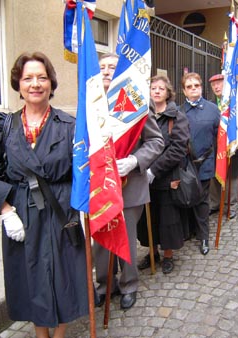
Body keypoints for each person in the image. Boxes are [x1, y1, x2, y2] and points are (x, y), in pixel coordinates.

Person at [0, 52, 89, 338]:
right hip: (22, 213)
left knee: (64, 277)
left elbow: (85, 169)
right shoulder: (5, 126)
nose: (35, 84)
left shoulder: (70, 124)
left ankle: (59, 336)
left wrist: (89, 201)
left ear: (51, 83)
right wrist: (5, 210)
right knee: (30, 275)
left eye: (42, 77)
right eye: (28, 78)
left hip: (61, 209)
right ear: (19, 84)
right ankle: (40, 335)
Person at [94, 53, 164, 310]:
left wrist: (135, 160)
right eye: (102, 67)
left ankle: (129, 284)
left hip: (129, 184)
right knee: (100, 239)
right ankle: (104, 285)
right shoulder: (90, 104)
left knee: (124, 237)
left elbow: (156, 142)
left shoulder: (137, 103)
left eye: (112, 67)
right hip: (99, 185)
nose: (106, 71)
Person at [136, 75, 189, 274]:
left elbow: (177, 149)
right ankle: (152, 252)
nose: (157, 91)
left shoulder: (177, 116)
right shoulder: (142, 113)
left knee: (168, 218)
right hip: (143, 176)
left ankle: (167, 255)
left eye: (161, 88)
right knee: (148, 218)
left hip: (167, 177)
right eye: (153, 88)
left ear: (168, 93)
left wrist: (154, 170)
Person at [179, 72, 220, 255]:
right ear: (184, 91)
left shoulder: (213, 109)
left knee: (203, 201)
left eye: (196, 85)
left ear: (201, 87)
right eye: (189, 86)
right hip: (186, 165)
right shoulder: (178, 112)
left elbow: (219, 137)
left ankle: (203, 236)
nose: (193, 89)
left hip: (206, 162)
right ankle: (188, 231)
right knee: (188, 198)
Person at [208, 73, 238, 219]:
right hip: (214, 145)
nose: (216, 87)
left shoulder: (234, 102)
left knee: (231, 176)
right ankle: (214, 203)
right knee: (215, 175)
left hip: (231, 144)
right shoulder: (211, 104)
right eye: (213, 85)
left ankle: (231, 205)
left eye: (219, 83)